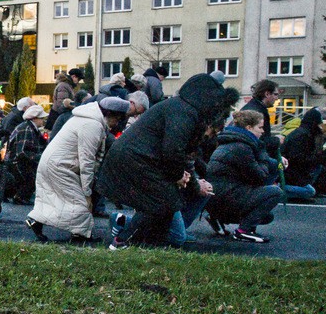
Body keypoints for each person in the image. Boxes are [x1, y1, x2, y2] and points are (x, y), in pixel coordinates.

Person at [97, 73, 239, 250]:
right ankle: (124, 242)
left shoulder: (182, 109)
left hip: (137, 159)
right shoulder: (185, 113)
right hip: (136, 160)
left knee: (162, 205)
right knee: (162, 203)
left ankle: (143, 243)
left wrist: (187, 177)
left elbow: (183, 154)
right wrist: (181, 176)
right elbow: (173, 151)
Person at [26, 97, 130, 243]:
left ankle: (36, 221)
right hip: (61, 166)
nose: (117, 124)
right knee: (80, 204)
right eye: (118, 120)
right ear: (111, 115)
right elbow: (87, 160)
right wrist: (87, 191)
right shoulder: (92, 125)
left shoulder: (86, 119)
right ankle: (80, 235)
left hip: (53, 163)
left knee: (55, 201)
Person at [206, 110, 284, 243]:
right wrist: (263, 155)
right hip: (226, 196)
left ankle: (218, 216)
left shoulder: (231, 142)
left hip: (217, 196)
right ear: (249, 128)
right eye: (260, 127)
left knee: (267, 216)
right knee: (275, 192)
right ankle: (244, 231)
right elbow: (261, 177)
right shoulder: (242, 147)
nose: (263, 131)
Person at [240, 79, 285, 180]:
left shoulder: (255, 108)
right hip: (252, 156)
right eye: (275, 94)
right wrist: (276, 140)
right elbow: (259, 140)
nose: (277, 98)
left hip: (253, 154)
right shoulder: (257, 112)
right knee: (277, 166)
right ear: (267, 94)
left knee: (278, 165)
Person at [5, 104, 48, 205]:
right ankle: (20, 197)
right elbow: (22, 152)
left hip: (19, 161)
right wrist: (39, 157)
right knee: (31, 179)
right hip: (18, 163)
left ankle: (20, 196)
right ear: (35, 118)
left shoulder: (28, 127)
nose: (43, 121)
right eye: (41, 118)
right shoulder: (27, 129)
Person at [281, 108, 324, 200]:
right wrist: (319, 158)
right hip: (291, 172)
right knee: (309, 191)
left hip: (291, 170)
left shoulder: (302, 132)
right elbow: (298, 159)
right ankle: (280, 191)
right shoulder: (303, 135)